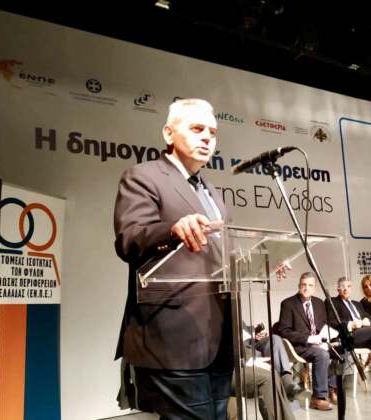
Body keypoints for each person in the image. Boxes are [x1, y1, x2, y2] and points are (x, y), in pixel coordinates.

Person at [113, 98, 232, 419]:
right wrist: (172, 229)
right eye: (197, 129)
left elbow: (221, 253)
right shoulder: (143, 176)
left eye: (212, 132)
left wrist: (261, 261)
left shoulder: (212, 192)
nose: (207, 138)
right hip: (172, 337)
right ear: (168, 133)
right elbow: (129, 238)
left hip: (219, 337)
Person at [277, 272, 337, 411]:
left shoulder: (319, 303)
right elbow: (284, 331)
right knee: (322, 355)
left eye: (310, 285)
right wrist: (309, 339)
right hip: (299, 346)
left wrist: (325, 339)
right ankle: (318, 398)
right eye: (304, 284)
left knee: (340, 349)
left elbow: (323, 325)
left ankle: (331, 389)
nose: (306, 288)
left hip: (319, 343)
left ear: (314, 288)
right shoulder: (288, 304)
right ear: (299, 286)